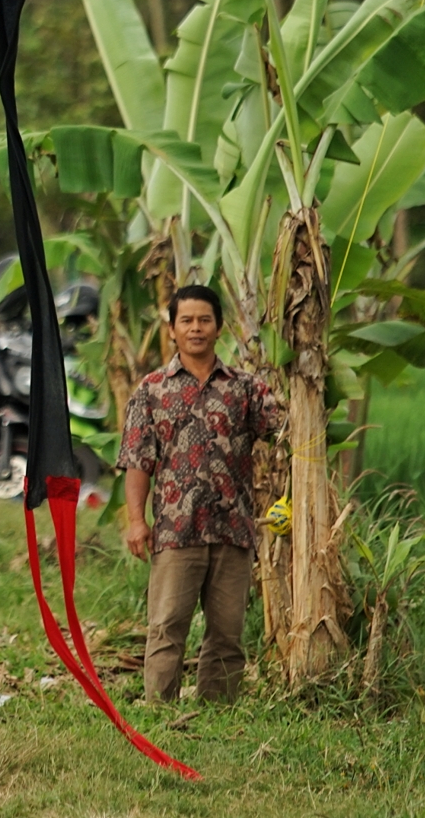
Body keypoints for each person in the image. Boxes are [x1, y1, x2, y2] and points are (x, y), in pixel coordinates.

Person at [118, 283, 285, 704]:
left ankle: (218, 710)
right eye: (186, 321)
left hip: (233, 528)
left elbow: (285, 432)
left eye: (204, 320)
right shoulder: (152, 390)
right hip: (177, 530)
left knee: (227, 632)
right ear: (172, 329)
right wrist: (137, 521)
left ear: (219, 327)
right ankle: (159, 708)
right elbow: (138, 461)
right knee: (167, 626)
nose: (196, 329)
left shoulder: (245, 388)